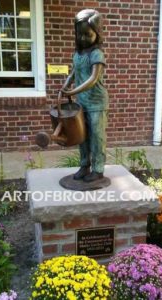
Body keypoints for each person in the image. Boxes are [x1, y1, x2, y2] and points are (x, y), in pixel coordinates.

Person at [60, 9, 109, 182]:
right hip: (82, 102)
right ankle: (84, 165)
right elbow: (74, 72)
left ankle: (98, 169)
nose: (83, 39)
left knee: (97, 137)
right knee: (82, 135)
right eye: (79, 35)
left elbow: (93, 79)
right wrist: (66, 85)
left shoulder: (97, 54)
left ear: (97, 33)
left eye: (87, 35)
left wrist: (72, 91)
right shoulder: (77, 54)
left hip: (96, 102)